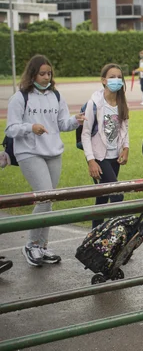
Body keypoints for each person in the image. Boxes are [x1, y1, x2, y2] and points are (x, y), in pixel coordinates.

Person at [5, 54, 85, 266]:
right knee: (44, 196)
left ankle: (41, 246)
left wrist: (75, 121)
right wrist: (31, 127)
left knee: (49, 198)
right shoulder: (20, 97)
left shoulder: (56, 96)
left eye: (49, 73)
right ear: (32, 74)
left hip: (53, 152)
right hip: (29, 153)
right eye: (42, 73)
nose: (46, 77)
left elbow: (61, 124)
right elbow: (11, 129)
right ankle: (31, 245)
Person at [81, 64, 130, 228]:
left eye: (119, 77)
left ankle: (94, 235)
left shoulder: (121, 102)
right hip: (99, 158)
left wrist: (126, 148)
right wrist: (91, 160)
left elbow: (124, 128)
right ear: (103, 80)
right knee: (117, 196)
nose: (116, 80)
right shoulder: (94, 103)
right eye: (112, 76)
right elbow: (86, 133)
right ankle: (113, 234)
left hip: (114, 157)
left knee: (102, 197)